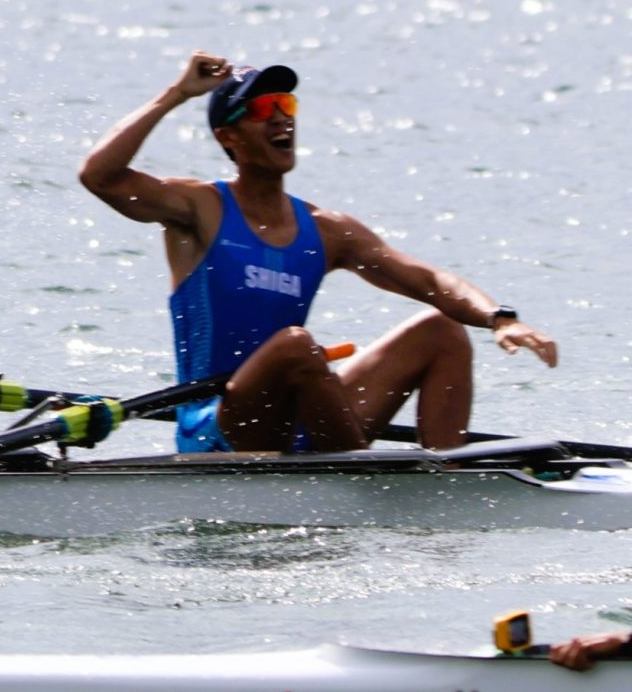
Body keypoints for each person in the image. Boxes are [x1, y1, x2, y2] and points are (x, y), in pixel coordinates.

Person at [78, 54, 558, 454]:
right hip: (219, 426)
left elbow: (428, 281)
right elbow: (99, 176)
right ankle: (361, 477)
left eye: (286, 104)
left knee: (442, 331)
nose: (282, 118)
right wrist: (177, 95)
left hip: (303, 419)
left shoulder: (328, 231)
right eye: (264, 108)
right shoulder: (198, 209)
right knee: (295, 346)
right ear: (229, 137)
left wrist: (500, 318)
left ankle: (443, 487)